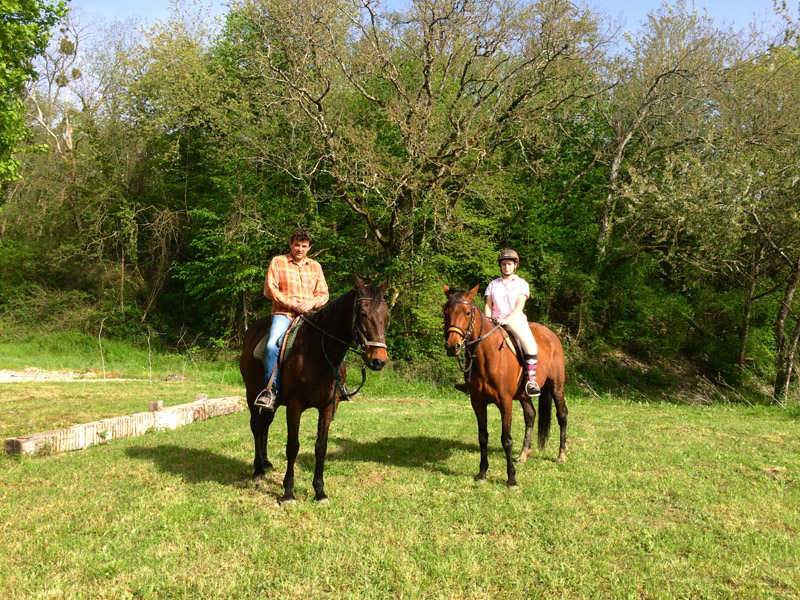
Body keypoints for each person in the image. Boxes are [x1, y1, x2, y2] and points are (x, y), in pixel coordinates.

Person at [254, 227, 329, 411]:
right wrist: (292, 304)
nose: (299, 249)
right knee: (272, 345)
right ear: (290, 244)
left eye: (304, 246)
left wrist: (311, 303)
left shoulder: (315, 266)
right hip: (284, 314)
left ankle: (337, 385)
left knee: (333, 338)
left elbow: (324, 293)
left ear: (309, 247)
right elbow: (270, 289)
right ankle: (271, 391)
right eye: (296, 245)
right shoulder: (278, 262)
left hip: (310, 315)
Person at [484, 248, 540, 397]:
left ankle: (531, 380)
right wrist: (488, 320)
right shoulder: (493, 284)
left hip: (514, 319)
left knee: (530, 345)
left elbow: (519, 306)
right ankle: (470, 379)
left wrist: (507, 320)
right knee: (474, 342)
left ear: (515, 265)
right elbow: (488, 305)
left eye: (509, 264)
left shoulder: (522, 284)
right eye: (503, 264)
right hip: (494, 321)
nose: (506, 267)